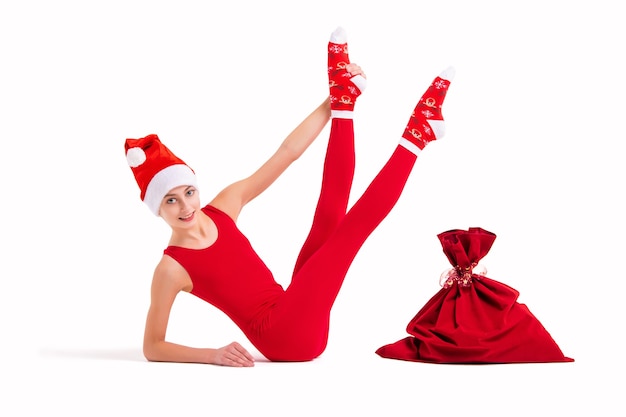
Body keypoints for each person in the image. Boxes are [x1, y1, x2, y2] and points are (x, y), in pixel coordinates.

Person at [125, 27, 454, 367]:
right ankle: (418, 134)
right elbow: (153, 346)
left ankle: (344, 102)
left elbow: (288, 152)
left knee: (329, 215)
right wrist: (212, 354)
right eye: (170, 200)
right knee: (350, 234)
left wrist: (328, 105)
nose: (186, 206)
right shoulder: (171, 267)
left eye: (188, 192)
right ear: (157, 209)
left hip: (292, 305)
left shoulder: (223, 206)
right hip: (284, 338)